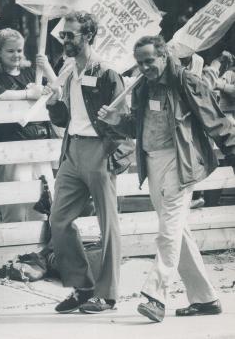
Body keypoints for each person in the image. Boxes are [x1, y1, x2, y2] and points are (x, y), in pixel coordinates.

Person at [98, 35, 235, 322]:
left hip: (180, 162)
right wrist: (115, 121)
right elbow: (137, 127)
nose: (145, 67)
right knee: (177, 232)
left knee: (168, 231)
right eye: (140, 62)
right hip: (151, 162)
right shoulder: (141, 87)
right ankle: (205, 299)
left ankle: (155, 296)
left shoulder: (187, 83)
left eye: (150, 60)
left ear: (164, 56)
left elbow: (218, 123)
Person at [45, 11, 134, 314]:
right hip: (72, 149)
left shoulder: (107, 72)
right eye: (64, 34)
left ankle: (107, 295)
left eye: (71, 34)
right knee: (58, 219)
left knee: (107, 223)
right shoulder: (68, 70)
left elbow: (125, 121)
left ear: (89, 36)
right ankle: (83, 286)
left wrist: (113, 149)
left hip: (99, 150)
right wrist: (54, 101)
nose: (65, 39)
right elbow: (63, 118)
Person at [0, 28, 56, 222]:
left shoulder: (32, 73)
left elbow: (55, 89)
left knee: (43, 196)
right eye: (10, 51)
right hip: (11, 146)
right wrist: (28, 94)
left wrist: (46, 71)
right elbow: (0, 96)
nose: (16, 55)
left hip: (38, 143)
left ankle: (40, 245)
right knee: (15, 199)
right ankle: (14, 243)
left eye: (19, 50)